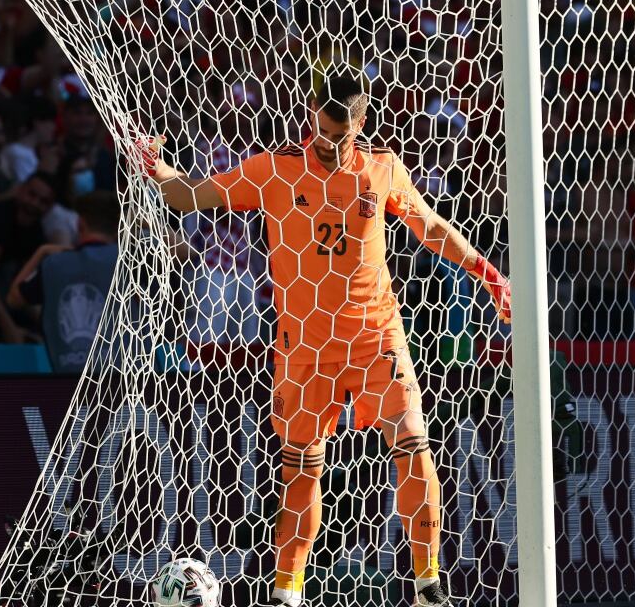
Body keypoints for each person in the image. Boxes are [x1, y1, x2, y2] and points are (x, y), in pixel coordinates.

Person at [146, 74, 512, 607]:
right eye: (319, 130)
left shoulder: (381, 168)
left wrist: (487, 272)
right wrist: (155, 168)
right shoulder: (272, 169)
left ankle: (427, 582)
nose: (327, 144)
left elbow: (429, 227)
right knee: (300, 467)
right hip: (305, 348)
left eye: (339, 136)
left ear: (360, 123)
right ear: (310, 111)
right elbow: (193, 195)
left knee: (412, 440)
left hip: (374, 336)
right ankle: (286, 591)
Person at [6, 191, 119, 373]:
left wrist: (41, 252)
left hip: (68, 382)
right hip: (127, 384)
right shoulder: (132, 260)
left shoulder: (53, 265)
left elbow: (13, 299)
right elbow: (182, 254)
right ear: (117, 227)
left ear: (80, 223)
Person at [0, 170, 55, 343]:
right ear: (20, 190)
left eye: (43, 202)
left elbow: (24, 284)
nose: (34, 204)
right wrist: (8, 328)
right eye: (31, 194)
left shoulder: (35, 232)